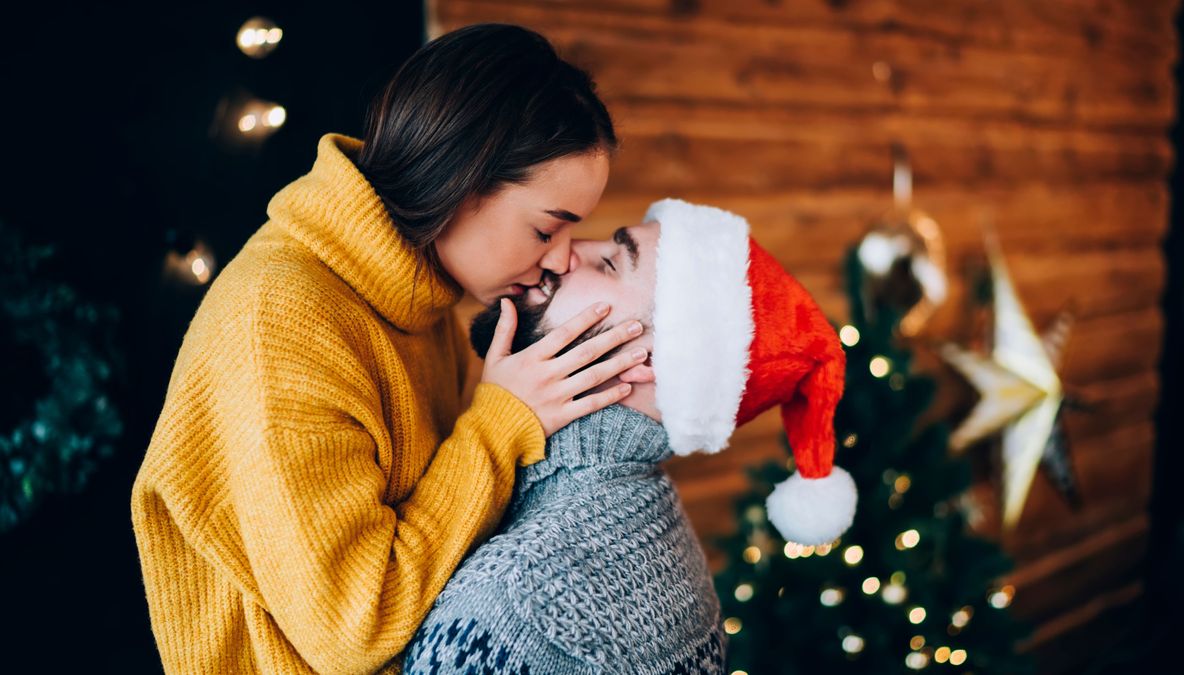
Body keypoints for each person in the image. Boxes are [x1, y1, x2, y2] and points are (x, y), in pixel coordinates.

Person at [130, 24, 651, 674]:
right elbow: (352, 628)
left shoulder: (422, 297)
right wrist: (501, 420)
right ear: (461, 181)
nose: (562, 259)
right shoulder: (281, 318)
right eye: (548, 228)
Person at [398, 199, 858, 674]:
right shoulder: (658, 540)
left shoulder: (521, 603)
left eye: (611, 262)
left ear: (653, 362)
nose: (567, 252)